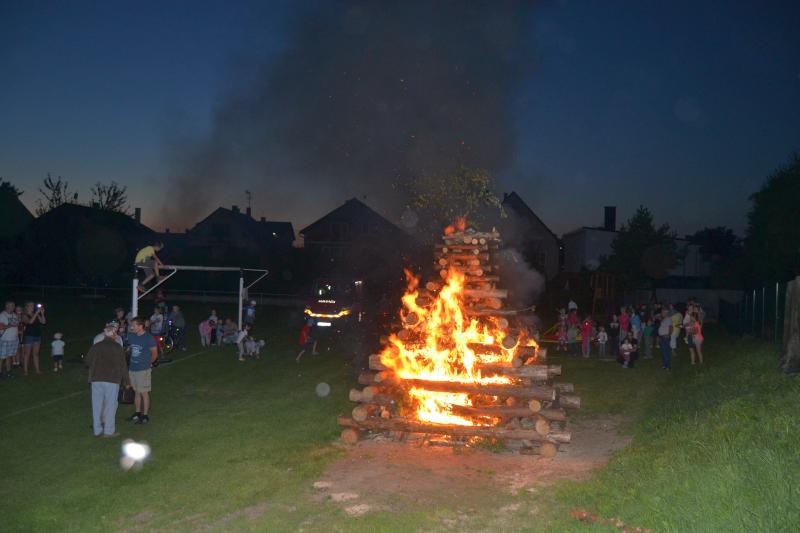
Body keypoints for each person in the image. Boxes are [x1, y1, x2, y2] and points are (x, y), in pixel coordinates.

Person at [86, 328, 130, 437]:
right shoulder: (117, 347)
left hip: (96, 379)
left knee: (96, 405)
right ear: (113, 335)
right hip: (112, 379)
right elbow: (123, 365)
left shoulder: (96, 346)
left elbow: (87, 361)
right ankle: (109, 431)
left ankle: (97, 430)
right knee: (111, 405)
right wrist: (127, 381)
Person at [127, 317, 158, 424]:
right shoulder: (131, 336)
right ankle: (137, 413)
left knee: (144, 392)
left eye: (134, 325)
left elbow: (154, 353)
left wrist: (149, 363)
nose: (132, 327)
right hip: (132, 368)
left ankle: (145, 415)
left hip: (143, 370)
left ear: (141, 326)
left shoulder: (148, 338)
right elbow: (130, 349)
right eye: (131, 325)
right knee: (136, 391)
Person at [20, 301, 46, 375]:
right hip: (29, 336)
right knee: (27, 354)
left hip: (37, 335)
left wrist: (42, 313)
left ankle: (37, 370)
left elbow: (43, 322)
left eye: (33, 305)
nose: (32, 306)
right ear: (26, 307)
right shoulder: (24, 315)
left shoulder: (35, 313)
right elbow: (30, 322)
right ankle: (25, 371)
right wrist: (36, 313)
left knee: (36, 354)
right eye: (30, 305)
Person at [0, 301, 19, 379]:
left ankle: (8, 372)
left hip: (13, 339)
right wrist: (10, 325)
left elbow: (17, 325)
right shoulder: (2, 315)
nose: (13, 307)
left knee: (9, 356)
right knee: (1, 357)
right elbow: (1, 327)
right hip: (4, 339)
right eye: (11, 305)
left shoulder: (14, 315)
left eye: (13, 305)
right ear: (6, 306)